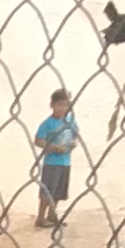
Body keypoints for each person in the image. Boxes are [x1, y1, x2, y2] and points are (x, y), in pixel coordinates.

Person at [33, 89, 83, 229]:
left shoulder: (70, 121)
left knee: (58, 191)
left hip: (65, 162)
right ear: (52, 105)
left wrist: (74, 144)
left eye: (66, 105)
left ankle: (52, 215)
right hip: (52, 162)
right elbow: (38, 140)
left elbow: (76, 135)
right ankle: (40, 218)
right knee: (47, 190)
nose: (63, 108)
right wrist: (54, 147)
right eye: (59, 105)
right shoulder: (48, 123)